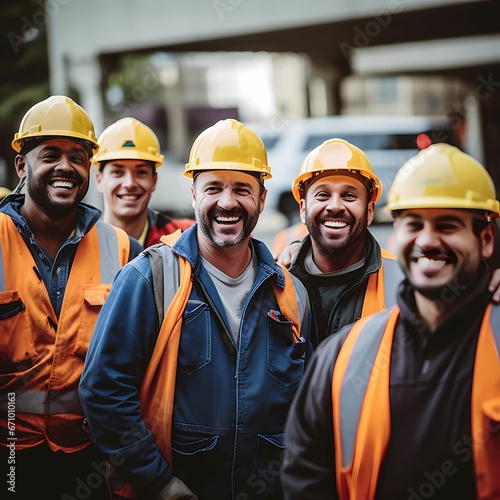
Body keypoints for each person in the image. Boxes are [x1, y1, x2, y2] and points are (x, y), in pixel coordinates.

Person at [79, 118, 312, 499]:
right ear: (192, 193)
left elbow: (307, 406)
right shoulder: (149, 277)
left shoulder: (291, 293)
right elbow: (104, 390)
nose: (227, 202)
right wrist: (157, 482)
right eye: (213, 188)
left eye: (242, 189)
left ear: (263, 198)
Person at [282, 143, 500, 499]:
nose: (428, 241)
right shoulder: (342, 355)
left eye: (447, 225)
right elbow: (307, 477)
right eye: (414, 224)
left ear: (486, 239)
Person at [0, 95, 143, 499]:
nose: (66, 166)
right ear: (21, 165)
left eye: (77, 156)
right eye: (51, 154)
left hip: (90, 458)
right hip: (8, 457)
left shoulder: (123, 249)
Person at [275, 138, 403, 348]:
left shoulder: (400, 282)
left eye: (349, 195)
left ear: (370, 211)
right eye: (323, 195)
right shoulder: (277, 280)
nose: (335, 206)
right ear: (303, 209)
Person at [92, 117, 194, 247]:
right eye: (118, 172)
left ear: (154, 181)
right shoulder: (79, 246)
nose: (129, 183)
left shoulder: (186, 239)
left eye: (141, 172)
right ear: (99, 180)